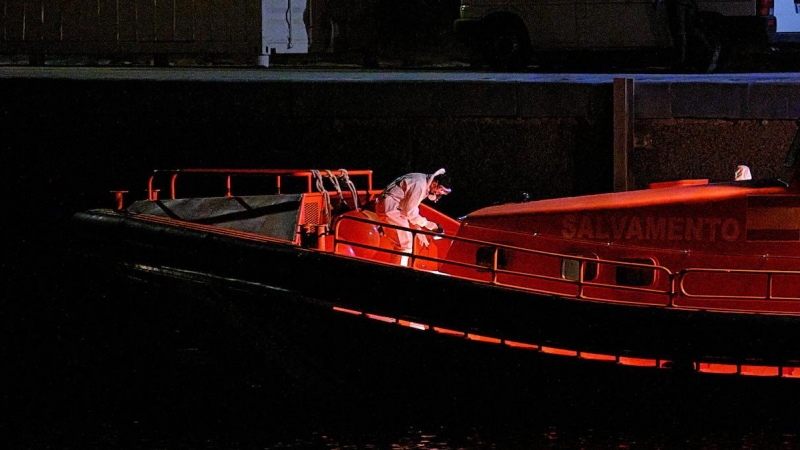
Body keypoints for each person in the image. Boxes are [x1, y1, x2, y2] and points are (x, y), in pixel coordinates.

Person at [375, 168, 452, 266]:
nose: (440, 194)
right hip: (391, 209)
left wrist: (419, 230)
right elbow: (409, 212)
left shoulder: (420, 179)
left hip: (390, 207)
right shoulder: (420, 185)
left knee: (402, 244)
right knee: (405, 245)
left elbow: (410, 208)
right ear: (434, 184)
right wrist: (429, 225)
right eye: (441, 190)